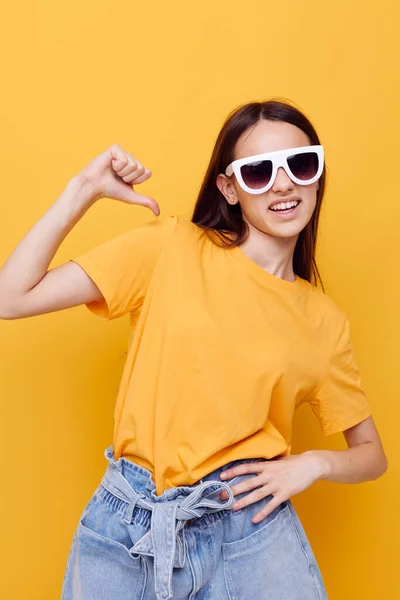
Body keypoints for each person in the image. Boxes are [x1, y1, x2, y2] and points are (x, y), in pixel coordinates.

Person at [0, 99, 388, 600]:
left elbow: (371, 455)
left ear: (316, 175)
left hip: (251, 527)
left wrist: (312, 464)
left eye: (300, 163)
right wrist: (85, 190)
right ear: (229, 188)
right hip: (131, 523)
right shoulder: (171, 248)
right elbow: (11, 297)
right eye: (258, 172)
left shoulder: (324, 322)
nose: (284, 183)